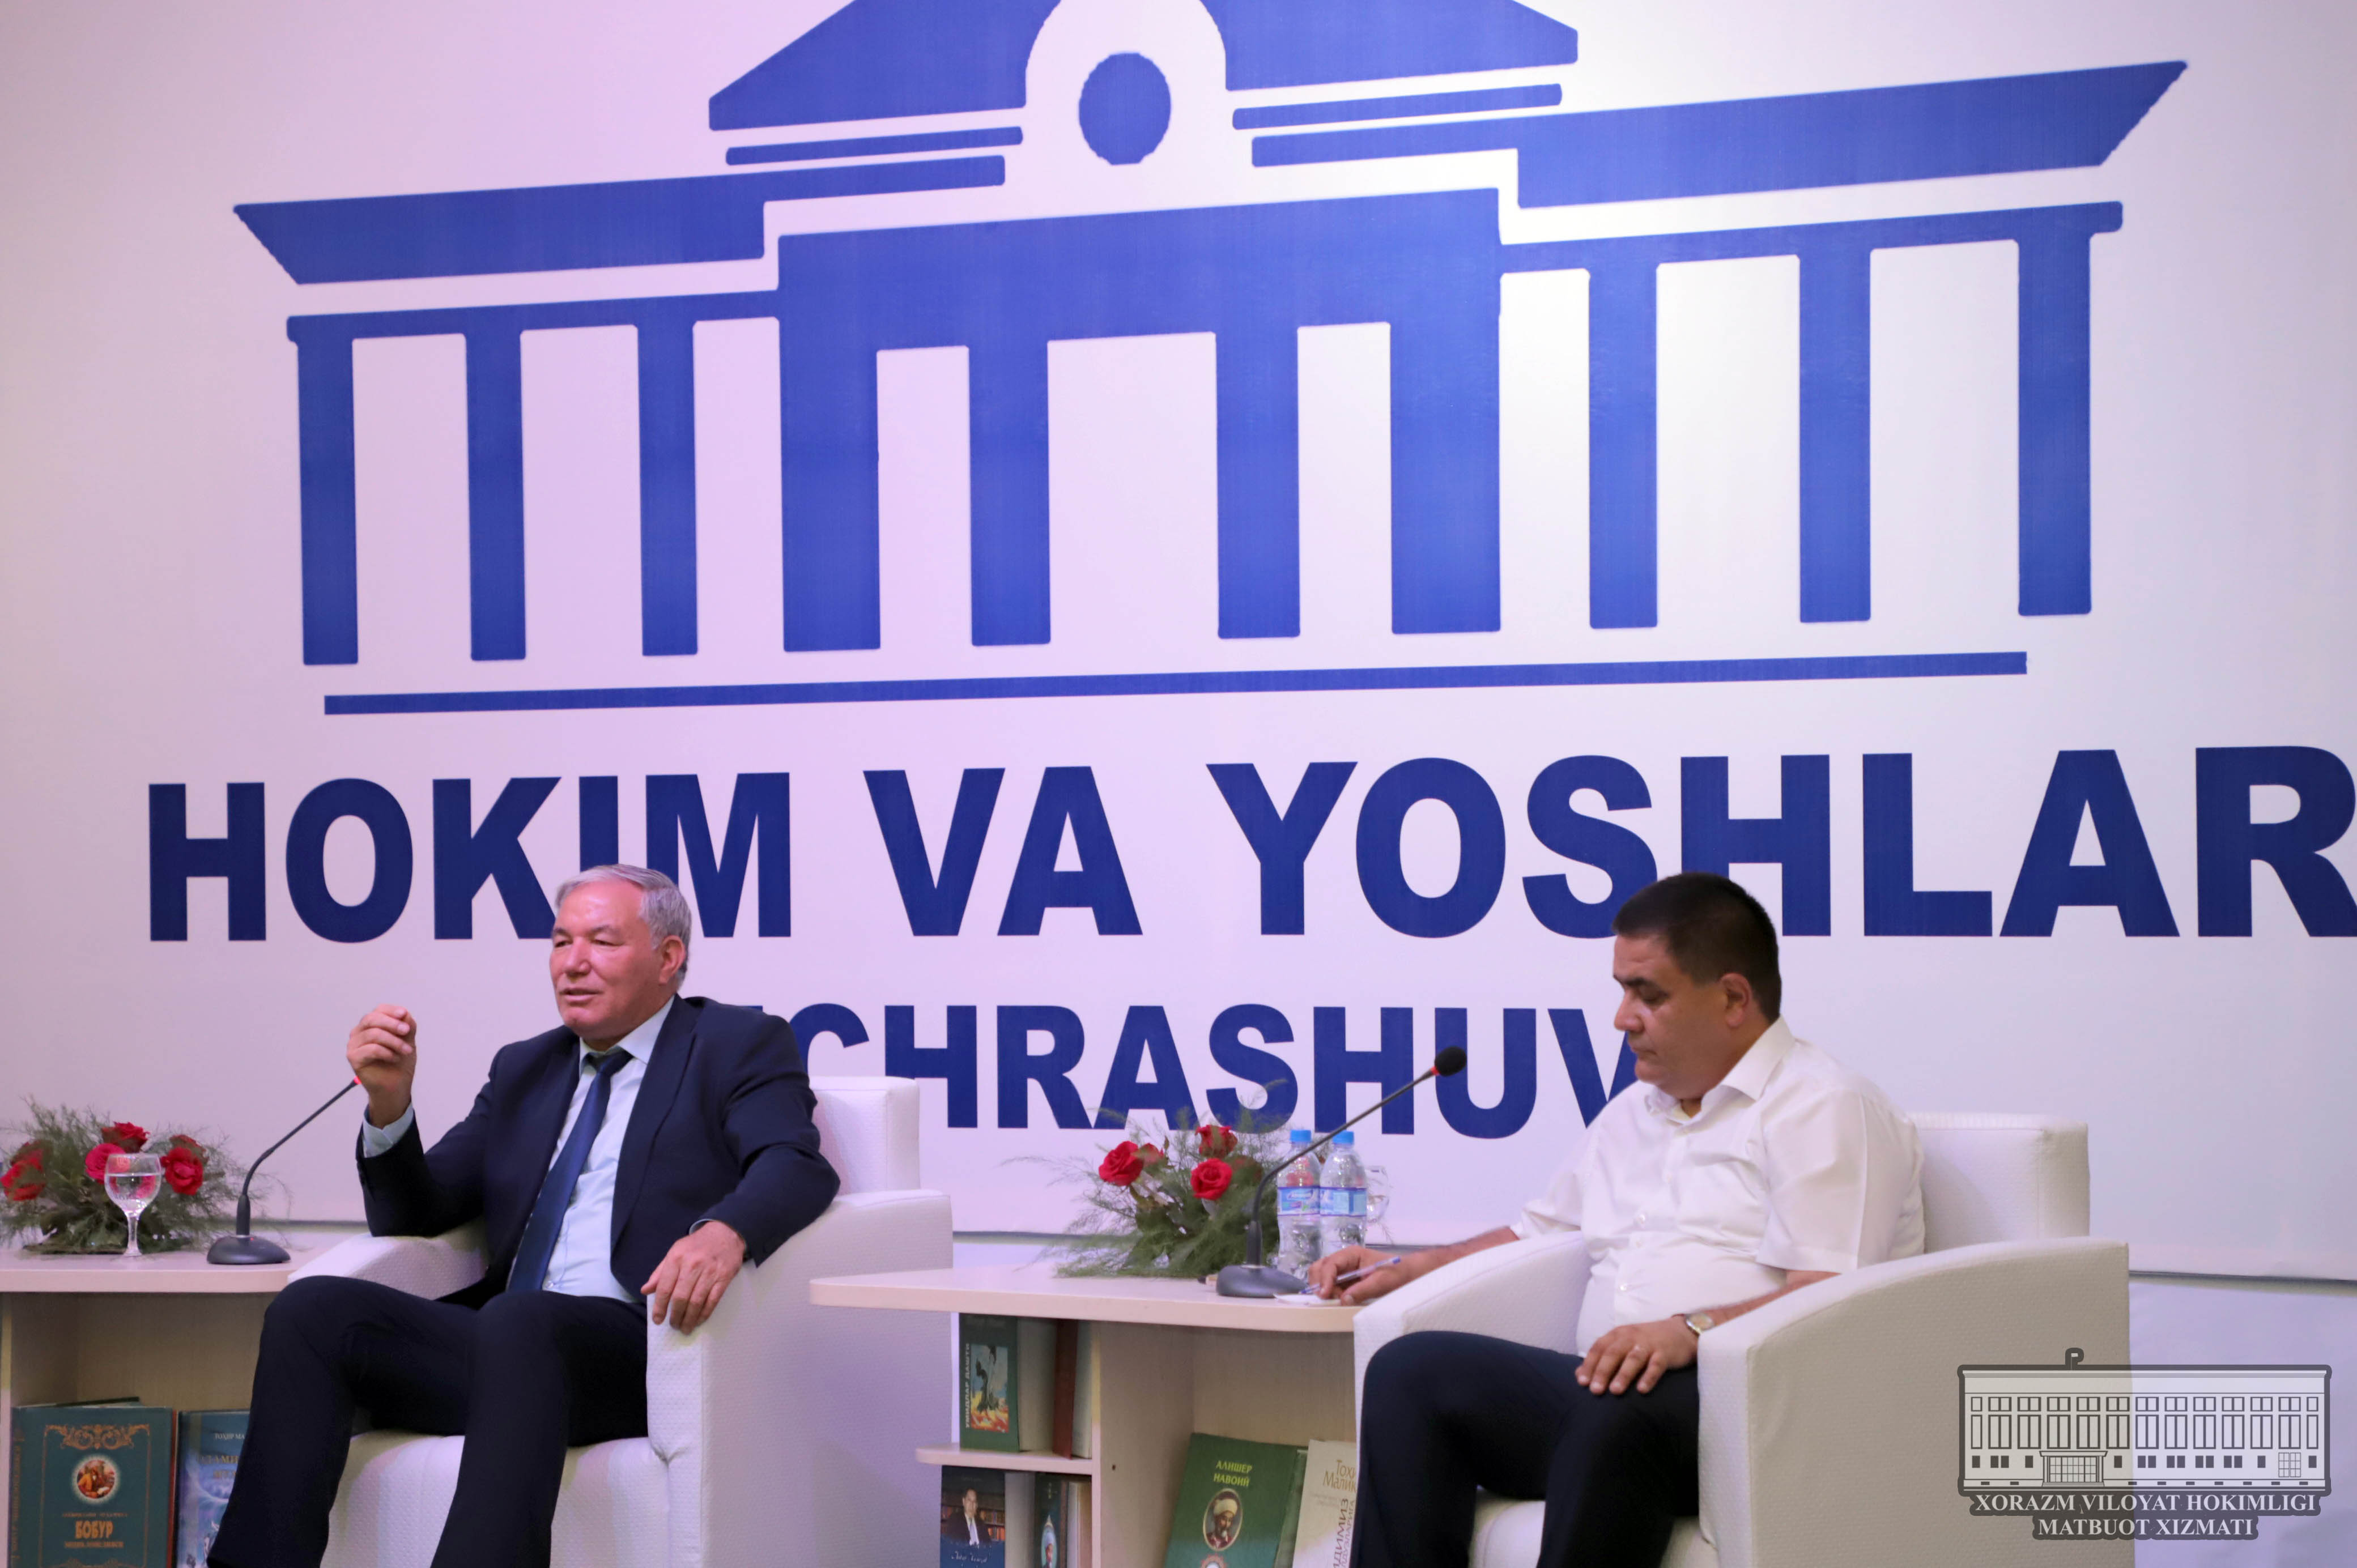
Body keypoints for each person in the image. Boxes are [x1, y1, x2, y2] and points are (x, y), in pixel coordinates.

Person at [210, 864, 839, 1568]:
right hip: (508, 1349)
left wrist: (724, 1231)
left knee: (521, 1317)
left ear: (669, 957)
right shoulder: (526, 1068)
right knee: (313, 1310)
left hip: (636, 1350)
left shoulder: (733, 1042)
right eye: (561, 941)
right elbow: (417, 1211)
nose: (573, 962)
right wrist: (389, 1105)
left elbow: (794, 1161)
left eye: (602, 941)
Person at [1316, 871, 1924, 1568]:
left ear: (1732, 998)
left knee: (1619, 1409)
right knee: (1411, 1373)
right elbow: (1534, 1232)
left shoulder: (1823, 1104)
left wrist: (1690, 1330)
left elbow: (1830, 1296)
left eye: (1648, 994)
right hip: (1611, 1391)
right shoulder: (1633, 1111)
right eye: (1621, 989)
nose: (1621, 1017)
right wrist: (1411, 1265)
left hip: (1749, 1409)